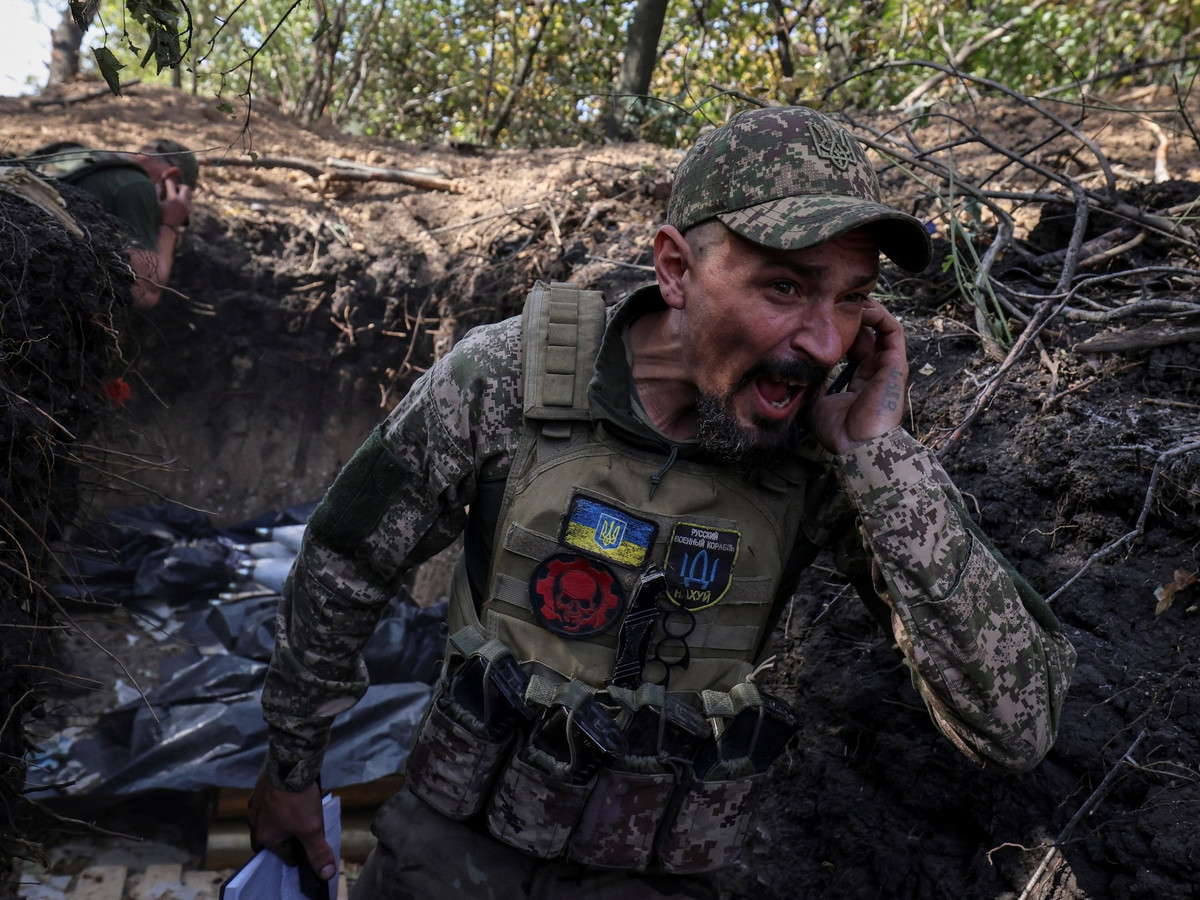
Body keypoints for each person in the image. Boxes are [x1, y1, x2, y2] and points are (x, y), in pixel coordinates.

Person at [247, 106, 1076, 898]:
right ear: (677, 269)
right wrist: (291, 766)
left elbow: (1016, 727)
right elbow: (346, 562)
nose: (827, 342)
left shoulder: (833, 453)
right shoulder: (503, 381)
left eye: (853, 297)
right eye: (785, 287)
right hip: (446, 857)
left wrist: (879, 460)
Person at [29, 138, 197, 309]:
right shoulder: (137, 184)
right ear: (171, 175)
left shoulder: (73, 157)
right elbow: (144, 293)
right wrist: (169, 225)